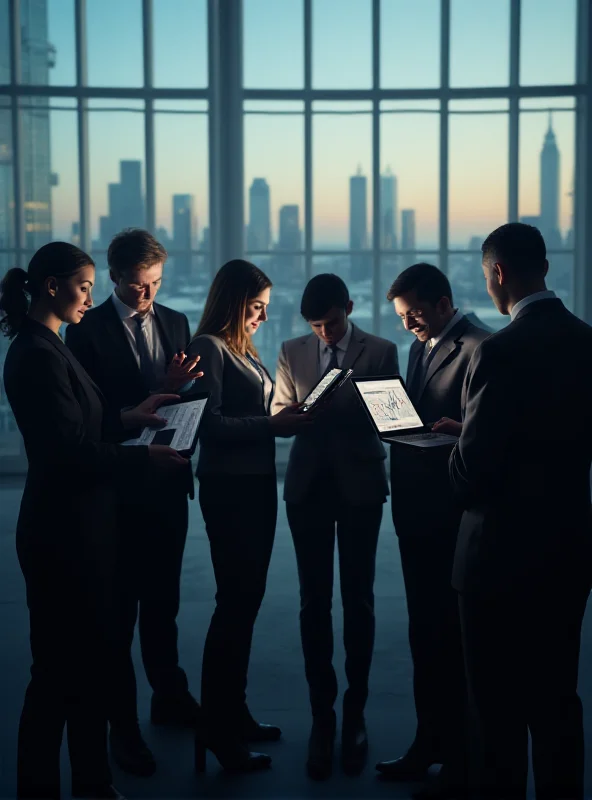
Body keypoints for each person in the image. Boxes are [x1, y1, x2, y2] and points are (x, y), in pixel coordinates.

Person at [0, 242, 187, 800]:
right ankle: (45, 787)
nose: (90, 297)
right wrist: (142, 453)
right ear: (53, 286)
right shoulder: (37, 354)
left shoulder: (49, 345)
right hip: (63, 535)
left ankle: (92, 782)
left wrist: (136, 412)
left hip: (82, 530)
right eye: (84, 287)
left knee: (84, 667)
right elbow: (69, 454)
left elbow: (91, 422)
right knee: (56, 675)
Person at [450, 223, 592, 800]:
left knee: (497, 710)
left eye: (487, 278)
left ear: (499, 273)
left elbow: (471, 475)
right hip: (566, 550)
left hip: (496, 559)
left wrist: (457, 449)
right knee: (558, 700)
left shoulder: (498, 351)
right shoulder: (588, 341)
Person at [66, 229, 202, 776]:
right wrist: (158, 387)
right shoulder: (86, 333)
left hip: (167, 484)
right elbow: (91, 418)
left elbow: (183, 400)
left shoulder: (175, 321)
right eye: (139, 286)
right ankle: (121, 728)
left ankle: (168, 697)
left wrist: (177, 389)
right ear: (114, 277)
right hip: (117, 491)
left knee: (163, 605)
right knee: (118, 616)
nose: (148, 295)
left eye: (156, 284)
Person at [186, 259, 312, 772]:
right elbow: (206, 426)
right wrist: (273, 426)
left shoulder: (242, 350)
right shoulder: (209, 348)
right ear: (234, 303)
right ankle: (217, 730)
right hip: (230, 490)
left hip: (253, 486)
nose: (262, 316)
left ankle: (230, 716)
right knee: (234, 606)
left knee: (244, 604)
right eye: (256, 307)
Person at [273, 274, 399, 780]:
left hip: (361, 483)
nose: (324, 332)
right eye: (316, 325)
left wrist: (359, 405)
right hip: (307, 485)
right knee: (312, 601)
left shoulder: (381, 349)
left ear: (348, 307)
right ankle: (322, 719)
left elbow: (391, 419)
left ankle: (355, 714)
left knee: (359, 599)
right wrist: (299, 414)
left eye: (331, 321)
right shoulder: (291, 348)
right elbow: (278, 413)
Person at [376, 263, 489, 800]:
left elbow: (486, 436)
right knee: (426, 636)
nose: (408, 327)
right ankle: (431, 743)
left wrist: (455, 434)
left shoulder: (480, 347)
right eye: (401, 317)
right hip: (417, 514)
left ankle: (463, 759)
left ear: (445, 302)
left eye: (414, 315)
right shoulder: (424, 345)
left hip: (450, 515)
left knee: (455, 642)